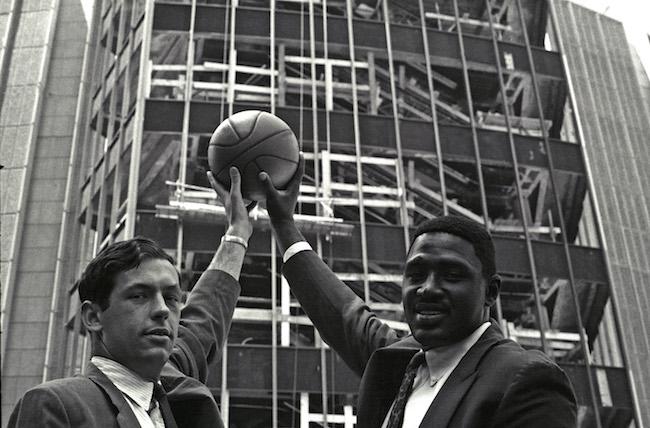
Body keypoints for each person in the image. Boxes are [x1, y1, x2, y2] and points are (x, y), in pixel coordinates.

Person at [258, 154, 577, 428]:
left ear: (491, 292)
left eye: (452, 274)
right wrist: (283, 223)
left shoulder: (526, 380)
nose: (428, 288)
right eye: (416, 274)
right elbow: (342, 313)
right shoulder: (399, 364)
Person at [8, 167, 253, 428]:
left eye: (171, 298)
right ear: (93, 316)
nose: (162, 310)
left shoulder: (174, 394)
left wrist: (238, 233)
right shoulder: (57, 405)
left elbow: (205, 319)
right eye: (139, 296)